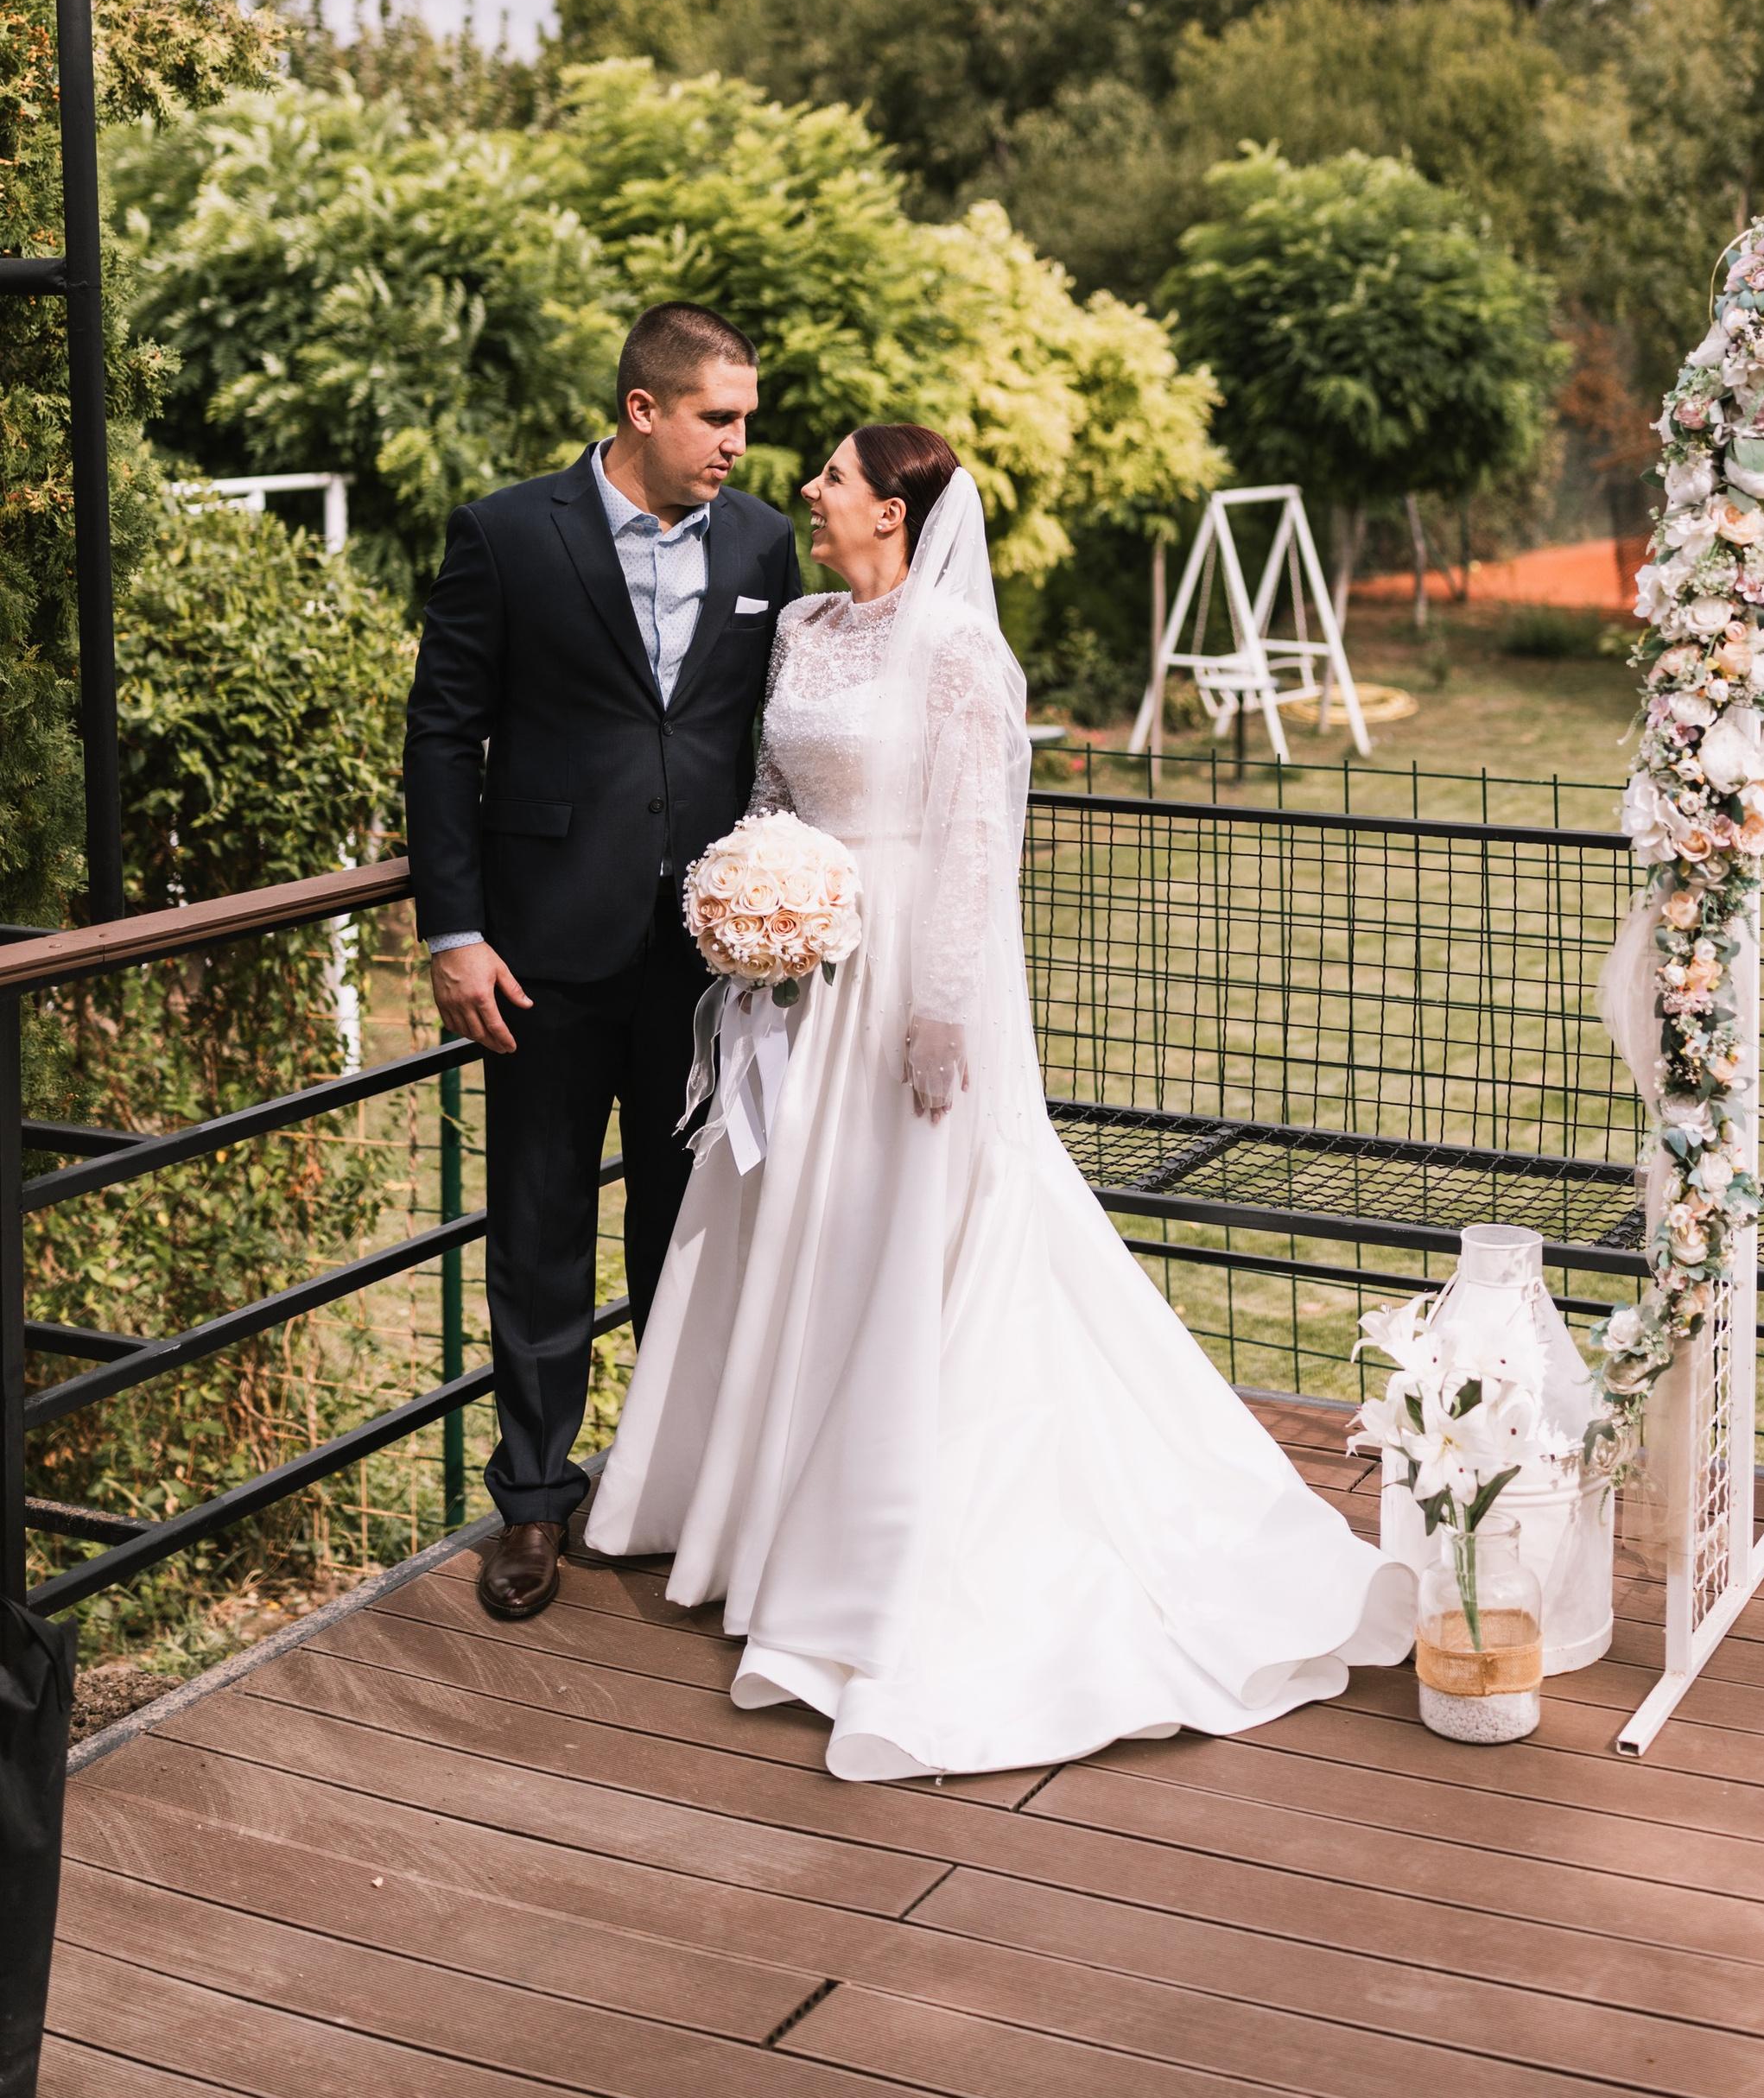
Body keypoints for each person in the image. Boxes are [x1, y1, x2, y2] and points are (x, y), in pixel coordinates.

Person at [587, 422, 1412, 1777]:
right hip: (805, 962)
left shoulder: (962, 651)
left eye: (838, 477)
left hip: (909, 960)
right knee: (794, 1222)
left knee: (906, 1233)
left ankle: (886, 1545)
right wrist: (754, 913)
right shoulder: (800, 625)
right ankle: (759, 1523)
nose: (812, 489)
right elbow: (772, 788)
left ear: (897, 514)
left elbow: (979, 841)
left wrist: (939, 1009)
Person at [403, 301, 803, 1622]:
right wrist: (454, 932)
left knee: (682, 1231)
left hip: (704, 964)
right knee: (536, 1226)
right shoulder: (510, 532)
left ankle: (664, 1486)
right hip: (540, 955)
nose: (741, 443)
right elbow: (443, 735)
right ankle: (531, 1505)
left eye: (745, 416)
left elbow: (762, 737)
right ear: (644, 409)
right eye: (718, 417)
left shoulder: (760, 542)